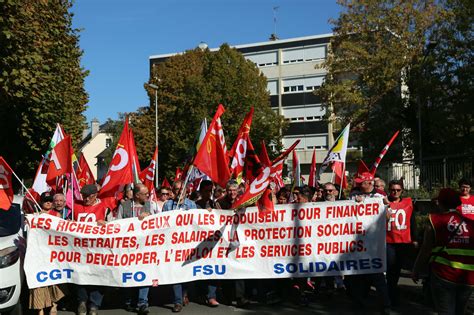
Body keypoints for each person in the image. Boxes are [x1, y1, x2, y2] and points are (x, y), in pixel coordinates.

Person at [412, 188, 473, 315]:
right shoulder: (470, 223)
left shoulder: (435, 220)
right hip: (468, 278)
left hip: (443, 274)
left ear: (440, 202)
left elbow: (426, 249)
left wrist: (416, 269)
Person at [348, 172, 391, 313]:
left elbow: (388, 218)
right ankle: (359, 302)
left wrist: (386, 207)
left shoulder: (380, 196)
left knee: (377, 274)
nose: (360, 184)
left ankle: (385, 305)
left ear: (370, 183)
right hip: (358, 240)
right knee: (358, 274)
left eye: (363, 182)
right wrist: (354, 203)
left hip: (374, 242)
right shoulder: (354, 194)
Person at [115, 184, 156, 314]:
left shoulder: (151, 205)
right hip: (129, 247)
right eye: (145, 194)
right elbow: (118, 224)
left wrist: (149, 217)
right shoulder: (124, 205)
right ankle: (128, 300)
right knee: (129, 273)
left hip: (146, 247)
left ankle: (142, 302)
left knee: (145, 273)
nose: (148, 196)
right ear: (137, 195)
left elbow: (160, 222)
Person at [29, 192, 67, 315]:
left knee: (54, 280)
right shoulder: (35, 216)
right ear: (41, 202)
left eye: (50, 200)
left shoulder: (56, 215)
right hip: (39, 253)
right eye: (46, 201)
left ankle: (53, 305)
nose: (49, 202)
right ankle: (40, 308)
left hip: (53, 253)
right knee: (39, 280)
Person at [162, 180, 197, 312]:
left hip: (188, 243)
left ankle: (184, 293)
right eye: (177, 190)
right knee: (175, 272)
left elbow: (198, 222)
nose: (179, 192)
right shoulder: (168, 205)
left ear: (186, 191)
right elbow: (162, 223)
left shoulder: (192, 205)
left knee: (186, 272)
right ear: (173, 191)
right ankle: (177, 301)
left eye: (182, 189)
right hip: (173, 244)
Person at [74, 184, 109, 315]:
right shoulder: (76, 206)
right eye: (83, 195)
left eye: (88, 196)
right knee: (80, 275)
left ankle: (94, 304)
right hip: (80, 248)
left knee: (98, 275)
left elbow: (116, 225)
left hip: (98, 248)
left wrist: (106, 223)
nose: (85, 198)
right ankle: (82, 301)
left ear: (95, 195)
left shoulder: (105, 207)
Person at [385, 180, 415, 306]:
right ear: (389, 190)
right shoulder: (383, 202)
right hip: (388, 241)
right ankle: (390, 295)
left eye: (398, 190)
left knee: (397, 268)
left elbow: (412, 221)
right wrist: (386, 206)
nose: (395, 192)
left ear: (402, 190)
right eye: (393, 190)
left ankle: (392, 290)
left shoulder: (408, 203)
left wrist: (415, 238)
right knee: (390, 267)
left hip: (402, 241)